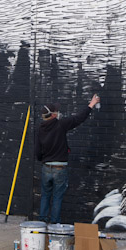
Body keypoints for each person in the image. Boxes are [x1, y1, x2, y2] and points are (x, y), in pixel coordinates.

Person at [35, 94, 100, 225]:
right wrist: (91, 105)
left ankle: (42, 224)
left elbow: (37, 151)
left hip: (46, 167)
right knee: (57, 197)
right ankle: (55, 225)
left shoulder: (40, 129)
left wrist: (43, 159)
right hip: (60, 167)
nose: (58, 112)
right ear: (53, 115)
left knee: (45, 196)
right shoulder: (61, 125)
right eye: (56, 111)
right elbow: (78, 118)